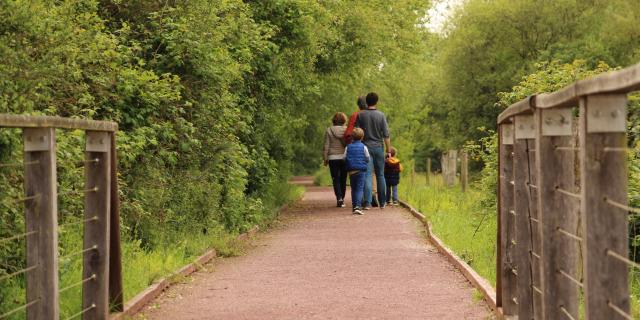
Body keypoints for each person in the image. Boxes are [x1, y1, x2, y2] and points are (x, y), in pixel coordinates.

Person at [356, 92, 392, 209]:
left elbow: (356, 132)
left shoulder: (360, 115)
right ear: (377, 102)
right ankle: (382, 203)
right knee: (380, 175)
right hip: (378, 148)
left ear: (367, 102)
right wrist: (389, 151)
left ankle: (367, 203)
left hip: (365, 148)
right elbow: (386, 135)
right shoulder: (381, 115)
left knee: (367, 175)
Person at [323, 112, 348, 207]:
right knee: (343, 178)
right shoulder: (347, 130)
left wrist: (325, 158)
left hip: (333, 158)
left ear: (334, 120)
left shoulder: (329, 130)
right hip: (344, 157)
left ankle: (339, 198)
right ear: (344, 120)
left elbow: (326, 146)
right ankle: (342, 198)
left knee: (335, 178)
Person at [344, 128, 369, 215]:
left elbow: (344, 157)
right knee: (359, 188)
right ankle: (358, 206)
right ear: (362, 137)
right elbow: (367, 158)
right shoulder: (364, 147)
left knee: (353, 189)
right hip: (361, 170)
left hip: (351, 171)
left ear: (352, 137)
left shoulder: (348, 147)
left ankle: (354, 206)